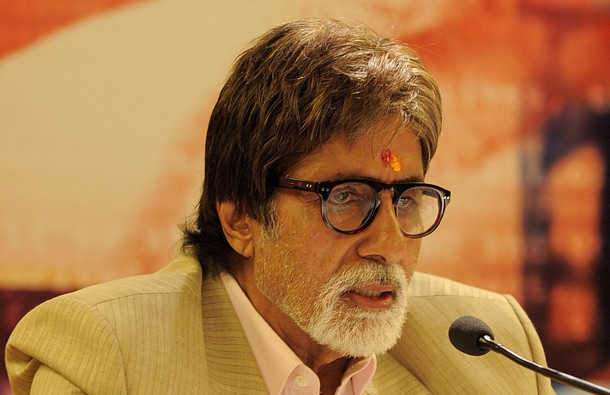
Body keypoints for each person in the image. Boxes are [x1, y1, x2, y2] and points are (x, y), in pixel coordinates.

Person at [5, 18, 553, 394]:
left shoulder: (485, 346)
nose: (390, 244)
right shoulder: (109, 355)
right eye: (346, 198)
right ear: (241, 218)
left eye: (405, 199)